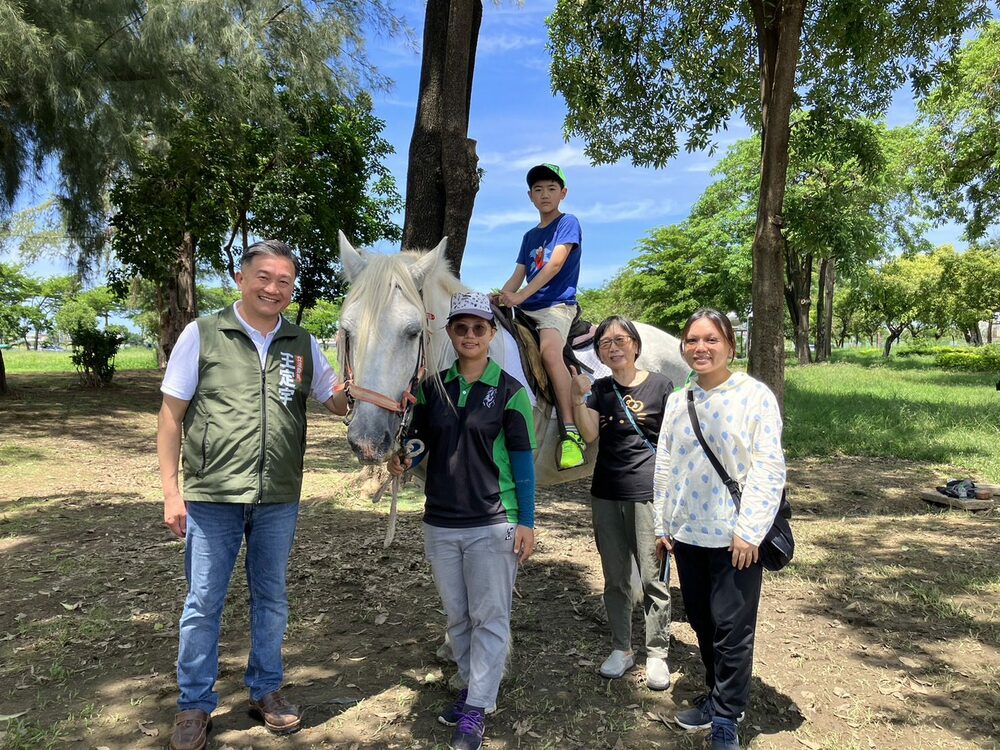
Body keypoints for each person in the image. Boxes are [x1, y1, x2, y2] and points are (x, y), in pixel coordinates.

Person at [157, 240, 348, 750]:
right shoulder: (203, 334)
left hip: (277, 497)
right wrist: (171, 492)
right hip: (212, 496)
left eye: (285, 281)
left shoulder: (302, 343)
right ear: (241, 279)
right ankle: (194, 705)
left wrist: (375, 388)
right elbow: (171, 416)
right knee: (203, 602)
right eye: (264, 277)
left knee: (272, 597)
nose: (274, 289)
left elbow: (336, 401)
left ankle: (265, 690)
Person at [388, 290, 536, 750]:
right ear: (449, 333)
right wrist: (403, 462)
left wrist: (526, 522)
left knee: (490, 616)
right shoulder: (433, 387)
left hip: (494, 522)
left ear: (492, 333)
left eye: (479, 327)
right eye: (461, 327)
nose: (470, 335)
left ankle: (475, 707)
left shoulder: (511, 392)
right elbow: (420, 443)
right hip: (440, 523)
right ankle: (476, 688)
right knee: (458, 617)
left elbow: (524, 466)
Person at [652, 308, 785, 750]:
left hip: (735, 539)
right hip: (687, 534)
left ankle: (728, 714)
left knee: (732, 630)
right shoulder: (678, 400)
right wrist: (662, 523)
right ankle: (716, 696)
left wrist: (749, 531)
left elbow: (769, 467)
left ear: (730, 345)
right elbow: (666, 464)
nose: (701, 348)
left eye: (711, 340)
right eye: (692, 340)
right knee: (705, 624)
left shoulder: (754, 395)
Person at [570, 316, 673, 689]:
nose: (612, 347)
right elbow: (589, 433)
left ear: (635, 344)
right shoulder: (599, 389)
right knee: (615, 577)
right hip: (606, 493)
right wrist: (578, 395)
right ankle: (622, 648)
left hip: (648, 494)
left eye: (619, 339)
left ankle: (657, 652)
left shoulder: (662, 386)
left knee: (653, 577)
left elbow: (674, 443)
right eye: (604, 343)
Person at [496, 163, 585, 470]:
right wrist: (499, 297)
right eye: (538, 189)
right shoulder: (529, 236)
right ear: (530, 196)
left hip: (556, 306)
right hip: (526, 307)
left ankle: (570, 432)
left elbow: (555, 265)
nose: (544, 194)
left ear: (563, 193)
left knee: (549, 352)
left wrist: (520, 296)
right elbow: (517, 274)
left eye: (551, 188)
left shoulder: (568, 223)